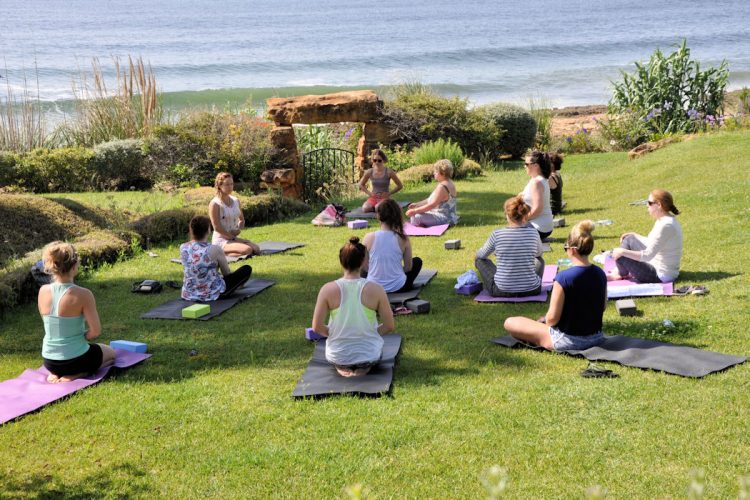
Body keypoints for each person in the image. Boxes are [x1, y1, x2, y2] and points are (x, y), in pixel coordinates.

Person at [503, 220, 606, 351]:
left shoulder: (563, 278)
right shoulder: (600, 273)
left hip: (567, 341)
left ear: (572, 250)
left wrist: (544, 321)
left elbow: (552, 320)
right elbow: (602, 307)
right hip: (596, 338)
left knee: (510, 322)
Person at [312, 236, 395, 377]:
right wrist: (369, 333)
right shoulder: (377, 289)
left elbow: (317, 327)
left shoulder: (327, 289)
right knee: (368, 356)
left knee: (342, 358)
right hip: (369, 354)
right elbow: (389, 326)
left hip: (338, 354)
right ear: (363, 262)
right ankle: (361, 367)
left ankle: (344, 366)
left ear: (341, 261)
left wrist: (336, 333)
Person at [38, 242, 116, 383]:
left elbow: (50, 324)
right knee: (111, 354)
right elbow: (96, 331)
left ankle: (56, 374)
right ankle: (79, 373)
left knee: (83, 354)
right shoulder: (84, 294)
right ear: (74, 267)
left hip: (49, 361)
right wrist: (83, 336)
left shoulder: (43, 291)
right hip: (76, 361)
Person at [608, 189, 683, 283]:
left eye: (649, 203)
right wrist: (635, 235)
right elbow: (653, 243)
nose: (647, 205)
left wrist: (622, 252)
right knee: (629, 239)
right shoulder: (663, 220)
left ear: (659, 205)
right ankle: (621, 272)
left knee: (621, 255)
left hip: (660, 276)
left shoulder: (666, 225)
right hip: (655, 264)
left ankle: (620, 274)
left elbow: (647, 255)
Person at [475, 195, 544, 297]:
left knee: (479, 260)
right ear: (524, 215)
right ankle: (528, 281)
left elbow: (481, 255)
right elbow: (539, 254)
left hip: (501, 290)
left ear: (507, 215)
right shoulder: (533, 233)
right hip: (532, 289)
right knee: (539, 260)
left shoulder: (497, 234)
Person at [180, 215, 253, 302]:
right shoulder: (215, 249)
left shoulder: (183, 247)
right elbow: (226, 273)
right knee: (246, 269)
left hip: (189, 293)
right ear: (208, 230)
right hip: (212, 292)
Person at [363, 199, 423, 293]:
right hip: (399, 287)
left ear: (378, 216)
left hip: (373, 288)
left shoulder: (368, 237)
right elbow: (408, 267)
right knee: (417, 261)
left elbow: (365, 267)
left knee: (360, 270)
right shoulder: (403, 238)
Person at [208, 172, 260, 258]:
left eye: (231, 184)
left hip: (233, 238)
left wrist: (239, 229)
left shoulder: (236, 200)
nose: (230, 187)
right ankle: (218, 253)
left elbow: (242, 220)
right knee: (247, 250)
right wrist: (233, 238)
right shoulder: (214, 204)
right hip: (221, 240)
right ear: (219, 186)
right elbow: (217, 228)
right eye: (227, 184)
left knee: (256, 249)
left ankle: (223, 254)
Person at [405, 159, 459, 227]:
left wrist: (415, 211)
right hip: (449, 216)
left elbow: (432, 205)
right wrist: (417, 204)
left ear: (442, 173)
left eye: (436, 171)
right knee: (417, 214)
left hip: (444, 218)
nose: (434, 173)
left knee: (416, 217)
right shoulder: (449, 182)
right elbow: (430, 199)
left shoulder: (442, 186)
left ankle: (422, 223)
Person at [521, 150, 554, 239]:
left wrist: (523, 219)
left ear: (536, 165)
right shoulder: (537, 179)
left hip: (539, 226)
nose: (524, 166)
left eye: (526, 164)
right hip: (541, 225)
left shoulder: (537, 182)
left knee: (507, 236)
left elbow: (538, 208)